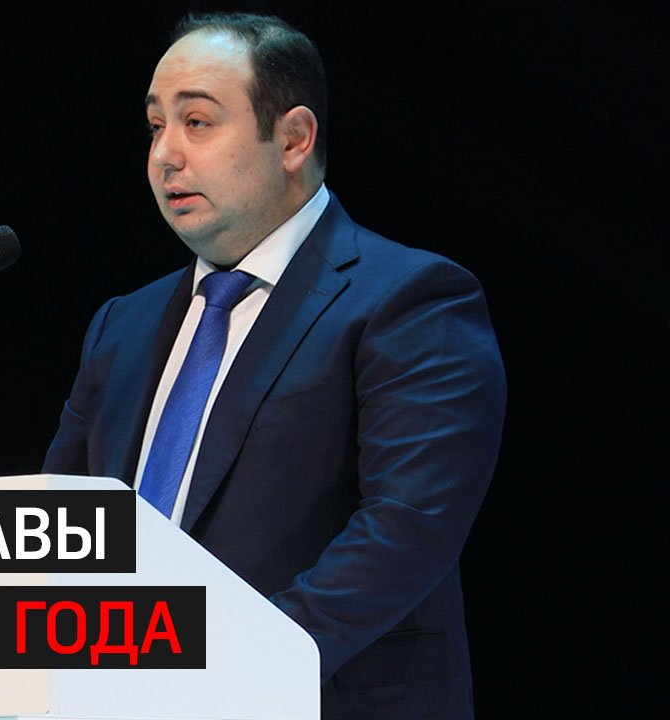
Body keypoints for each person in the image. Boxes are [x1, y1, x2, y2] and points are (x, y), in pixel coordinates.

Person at [42, 12, 506, 720]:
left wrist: (227, 667)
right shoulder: (122, 325)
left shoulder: (409, 299)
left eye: (197, 122)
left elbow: (407, 526)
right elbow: (61, 527)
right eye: (155, 126)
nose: (165, 155)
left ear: (293, 139)